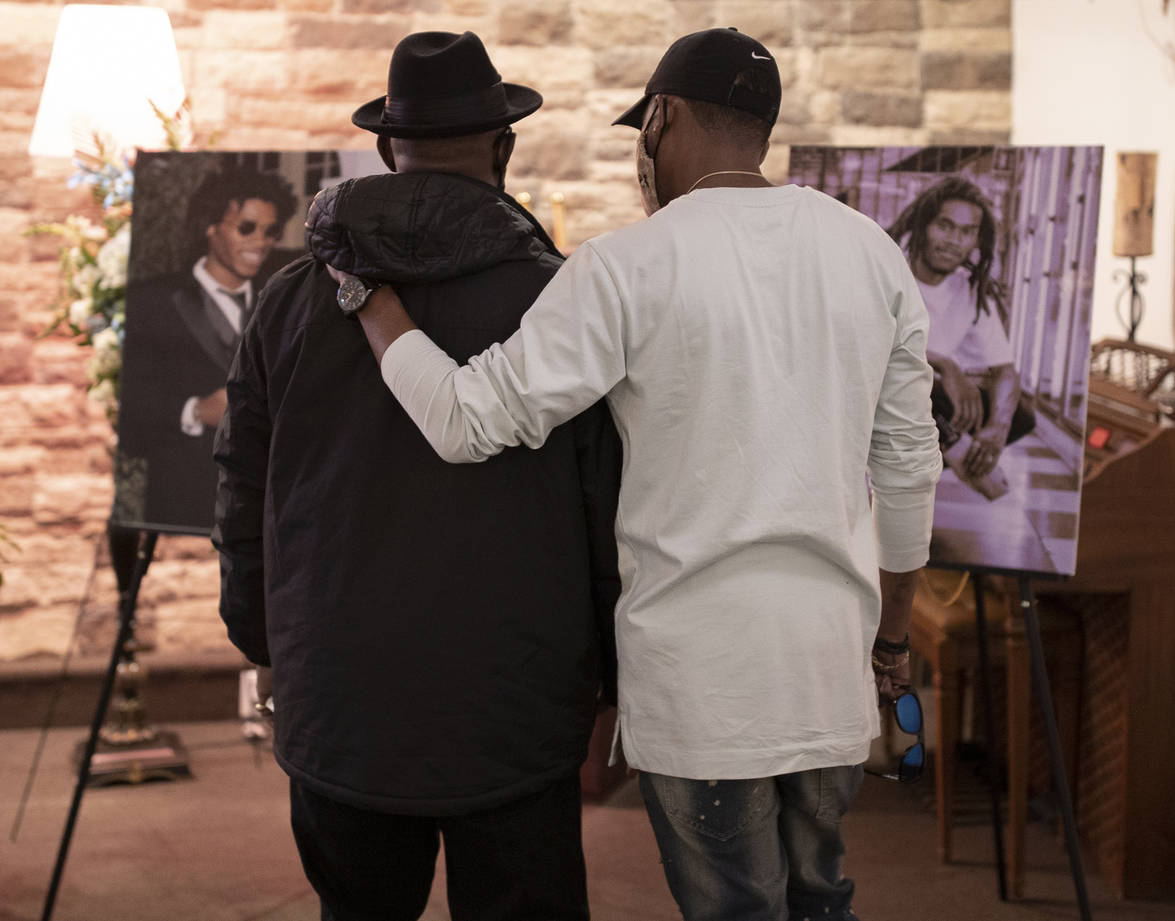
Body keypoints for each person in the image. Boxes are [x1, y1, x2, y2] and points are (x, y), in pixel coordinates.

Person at [347, 28, 942, 921]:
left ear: (659, 120)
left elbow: (467, 422)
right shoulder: (870, 252)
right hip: (828, 675)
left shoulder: (628, 266)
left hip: (702, 694)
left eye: (642, 132)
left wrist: (375, 304)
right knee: (823, 902)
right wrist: (890, 644)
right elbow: (906, 467)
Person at [213, 32, 621, 921]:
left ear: (390, 149)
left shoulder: (288, 298)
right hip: (514, 700)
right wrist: (612, 680)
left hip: (340, 695)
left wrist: (265, 638)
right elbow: (606, 508)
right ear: (502, 148)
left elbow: (243, 488)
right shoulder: (557, 299)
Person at [118, 163, 298, 531]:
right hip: (182, 504)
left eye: (271, 230)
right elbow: (128, 405)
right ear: (210, 226)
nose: (261, 241)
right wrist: (197, 410)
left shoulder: (285, 302)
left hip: (269, 509)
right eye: (246, 227)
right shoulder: (150, 301)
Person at [887, 175, 1035, 499]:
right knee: (915, 383)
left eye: (967, 232)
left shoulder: (969, 288)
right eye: (945, 226)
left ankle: (943, 446)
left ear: (977, 240)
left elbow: (1005, 371)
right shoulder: (887, 265)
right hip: (881, 390)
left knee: (1019, 415)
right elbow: (867, 347)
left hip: (928, 401)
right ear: (925, 225)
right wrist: (948, 366)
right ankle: (944, 447)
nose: (954, 240)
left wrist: (996, 430)